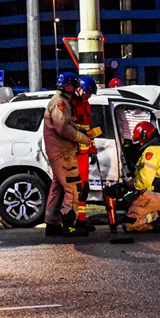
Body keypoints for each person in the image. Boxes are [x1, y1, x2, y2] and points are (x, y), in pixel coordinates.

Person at [43, 72, 93, 237]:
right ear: (69, 86)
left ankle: (52, 224)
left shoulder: (62, 101)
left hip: (59, 152)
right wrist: (82, 138)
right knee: (73, 188)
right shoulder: (60, 103)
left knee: (57, 188)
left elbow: (68, 124)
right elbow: (63, 128)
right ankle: (68, 224)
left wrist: (81, 130)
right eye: (75, 85)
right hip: (63, 153)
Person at [124, 121, 160, 232]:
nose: (139, 144)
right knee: (128, 200)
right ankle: (155, 219)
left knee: (128, 224)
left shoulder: (150, 152)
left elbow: (144, 181)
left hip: (153, 195)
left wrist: (130, 185)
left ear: (144, 136)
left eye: (139, 140)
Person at [72, 76, 101, 231]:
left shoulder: (86, 106)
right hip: (73, 154)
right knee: (75, 189)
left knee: (84, 189)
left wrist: (92, 150)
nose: (89, 96)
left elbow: (89, 131)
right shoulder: (72, 105)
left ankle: (81, 219)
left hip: (83, 155)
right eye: (88, 93)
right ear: (79, 89)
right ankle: (72, 221)